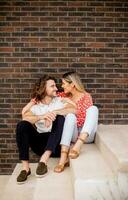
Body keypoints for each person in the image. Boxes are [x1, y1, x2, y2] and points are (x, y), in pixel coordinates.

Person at [16, 75, 76, 184]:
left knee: (60, 118)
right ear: (44, 88)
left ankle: (44, 160)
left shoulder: (59, 101)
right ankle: (25, 169)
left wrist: (55, 112)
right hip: (40, 145)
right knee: (22, 125)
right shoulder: (35, 106)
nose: (56, 88)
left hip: (57, 145)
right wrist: (42, 116)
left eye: (55, 86)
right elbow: (25, 117)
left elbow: (74, 109)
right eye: (52, 86)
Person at [54, 71, 99, 173]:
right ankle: (63, 158)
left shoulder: (86, 96)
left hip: (87, 135)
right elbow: (48, 95)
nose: (62, 86)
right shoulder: (64, 96)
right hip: (74, 134)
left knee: (93, 109)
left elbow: (84, 116)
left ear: (72, 84)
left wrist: (70, 108)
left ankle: (78, 146)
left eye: (64, 83)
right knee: (70, 116)